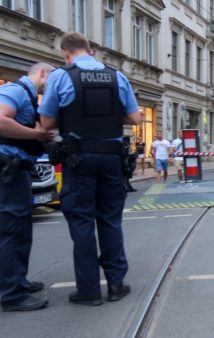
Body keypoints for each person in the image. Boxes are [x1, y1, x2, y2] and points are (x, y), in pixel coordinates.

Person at [39, 32, 140, 305]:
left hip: (79, 159)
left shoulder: (61, 76)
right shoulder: (117, 76)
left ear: (65, 53)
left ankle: (89, 290)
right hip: (111, 159)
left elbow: (46, 123)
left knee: (82, 222)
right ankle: (117, 283)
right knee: (110, 219)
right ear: (91, 51)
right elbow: (135, 118)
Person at [0, 63, 54, 312]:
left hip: (16, 169)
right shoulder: (17, 90)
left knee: (20, 229)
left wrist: (38, 133)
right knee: (12, 230)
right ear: (42, 73)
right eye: (52, 78)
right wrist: (36, 135)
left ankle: (16, 281)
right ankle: (12, 294)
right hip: (8, 170)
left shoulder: (28, 96)